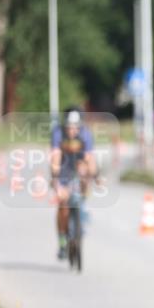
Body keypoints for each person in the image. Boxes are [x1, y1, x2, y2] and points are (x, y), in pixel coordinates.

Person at [50, 108, 97, 259]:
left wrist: (94, 176)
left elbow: (90, 158)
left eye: (75, 126)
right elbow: (55, 158)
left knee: (85, 173)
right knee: (63, 205)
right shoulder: (58, 133)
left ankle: (81, 209)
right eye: (69, 126)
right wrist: (56, 181)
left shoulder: (85, 134)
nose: (72, 130)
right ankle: (62, 241)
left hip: (78, 165)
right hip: (63, 167)